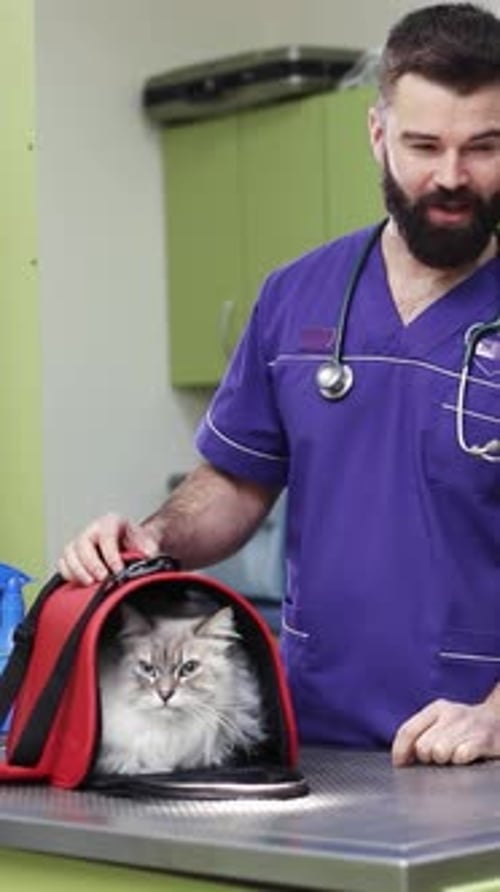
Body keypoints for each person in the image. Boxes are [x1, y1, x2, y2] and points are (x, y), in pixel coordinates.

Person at [59, 3, 500, 768]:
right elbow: (235, 483)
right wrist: (152, 539)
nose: (451, 176)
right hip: (311, 737)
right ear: (376, 135)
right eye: (423, 145)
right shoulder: (297, 295)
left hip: (479, 747)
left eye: (484, 148)